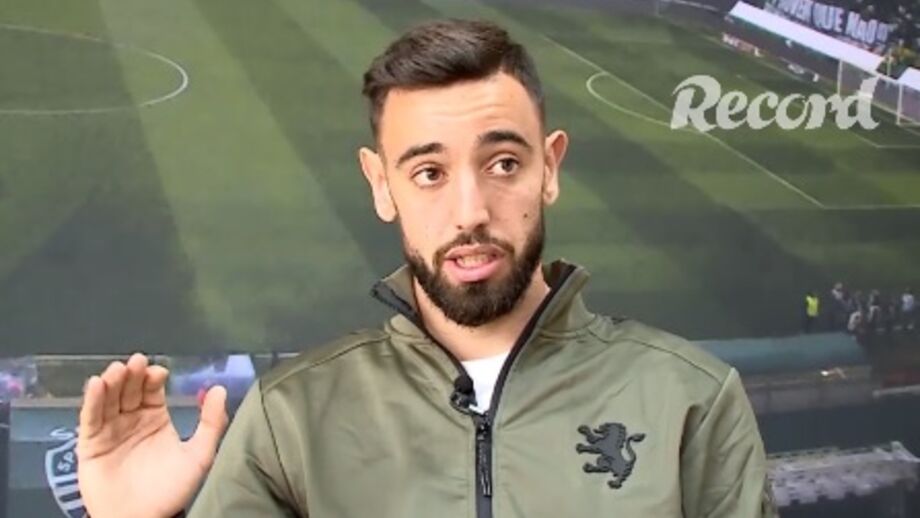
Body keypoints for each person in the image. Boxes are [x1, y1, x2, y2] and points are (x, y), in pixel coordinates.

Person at [76, 19, 776, 518]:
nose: (470, 211)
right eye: (429, 173)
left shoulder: (690, 400)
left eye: (504, 163)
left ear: (550, 167)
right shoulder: (291, 418)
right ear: (381, 185)